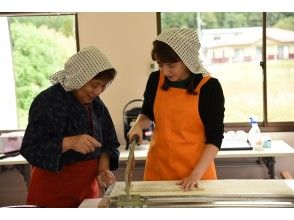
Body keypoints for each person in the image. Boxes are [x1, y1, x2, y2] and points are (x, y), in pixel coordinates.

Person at [20, 46, 120, 207]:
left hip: (87, 193)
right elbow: (31, 148)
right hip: (52, 194)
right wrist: (70, 142)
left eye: (103, 85)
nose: (98, 91)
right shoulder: (48, 101)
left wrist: (102, 170)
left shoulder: (96, 103)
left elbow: (109, 143)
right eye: (94, 85)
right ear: (79, 78)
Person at [128, 27, 225, 191]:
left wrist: (195, 175)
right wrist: (138, 125)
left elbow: (214, 139)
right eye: (160, 65)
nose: (165, 71)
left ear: (187, 60)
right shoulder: (155, 79)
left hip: (196, 175)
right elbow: (147, 114)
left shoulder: (209, 87)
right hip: (159, 172)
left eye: (171, 65)